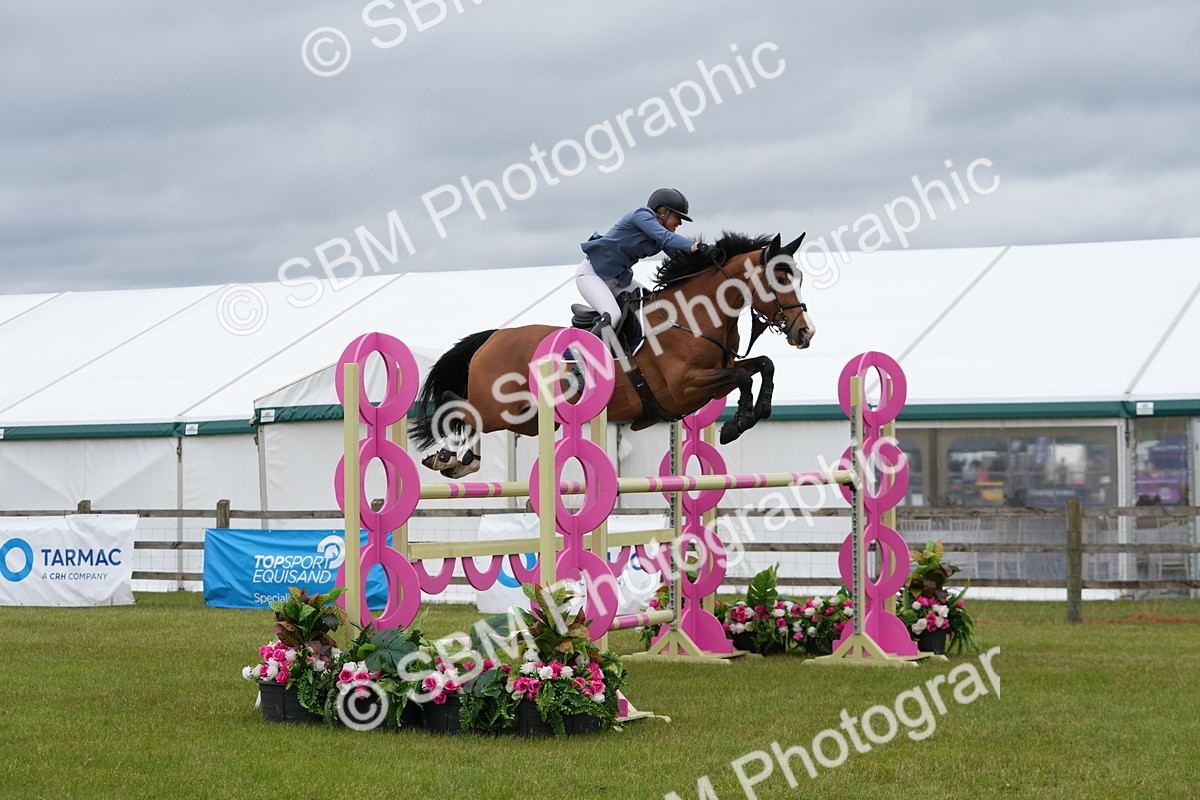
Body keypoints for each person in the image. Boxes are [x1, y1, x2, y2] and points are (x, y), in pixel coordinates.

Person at [576, 188, 713, 346]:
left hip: (617, 281)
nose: (680, 223)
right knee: (613, 315)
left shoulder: (659, 236)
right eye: (678, 216)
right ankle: (579, 357)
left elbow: (679, 257)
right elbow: (667, 238)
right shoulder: (641, 216)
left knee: (653, 306)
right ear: (663, 212)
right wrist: (696, 245)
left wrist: (707, 258)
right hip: (591, 275)